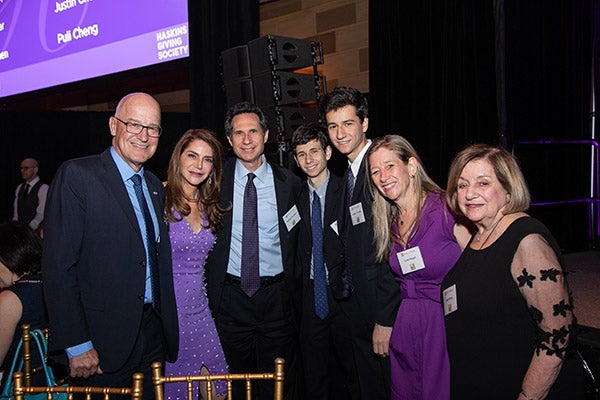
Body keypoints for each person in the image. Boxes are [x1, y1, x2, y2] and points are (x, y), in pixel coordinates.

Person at [42, 92, 179, 399]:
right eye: (134, 124)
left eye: (153, 128)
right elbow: (58, 267)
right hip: (99, 343)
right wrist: (77, 344)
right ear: (113, 126)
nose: (144, 136)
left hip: (151, 337)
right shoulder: (78, 176)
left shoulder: (155, 186)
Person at [441, 144, 584, 399]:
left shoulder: (526, 240)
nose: (470, 193)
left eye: (483, 183)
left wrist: (528, 396)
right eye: (462, 185)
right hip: (482, 382)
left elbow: (556, 333)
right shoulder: (478, 235)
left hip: (520, 387)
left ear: (508, 190)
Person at [205, 101, 302, 399]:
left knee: (276, 384)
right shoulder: (212, 182)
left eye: (253, 131)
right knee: (233, 383)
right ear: (230, 140)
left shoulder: (291, 184)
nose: (247, 140)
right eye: (239, 133)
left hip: (276, 300)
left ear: (266, 135)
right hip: (230, 299)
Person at [366, 135, 470, 400]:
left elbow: (481, 265)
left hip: (445, 325)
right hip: (406, 327)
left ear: (411, 167)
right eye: (375, 171)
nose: (383, 176)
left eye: (390, 166)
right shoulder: (389, 223)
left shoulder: (446, 209)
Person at [318, 86, 400, 399]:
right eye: (333, 126)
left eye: (348, 123)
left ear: (364, 123)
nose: (339, 134)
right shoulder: (348, 175)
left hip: (382, 313)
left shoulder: (381, 170)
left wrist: (385, 317)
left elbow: (395, 247)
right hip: (357, 307)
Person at [290, 124, 358, 400]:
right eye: (302, 154)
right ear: (295, 160)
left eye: (314, 151)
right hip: (309, 297)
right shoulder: (292, 198)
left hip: (343, 296)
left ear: (328, 152)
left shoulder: (348, 192)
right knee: (314, 376)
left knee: (352, 373)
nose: (309, 159)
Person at [163, 129, 229, 400]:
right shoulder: (160, 197)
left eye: (207, 159)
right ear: (179, 157)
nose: (199, 165)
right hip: (170, 317)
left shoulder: (209, 205)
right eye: (192, 156)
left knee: (219, 390)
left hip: (201, 314)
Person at [0, 222, 47, 390]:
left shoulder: (10, 299)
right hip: (49, 387)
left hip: (18, 390)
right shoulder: (49, 285)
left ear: (9, 255)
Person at [13, 158, 49, 231]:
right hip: (21, 232)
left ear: (35, 169)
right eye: (21, 168)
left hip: (34, 233)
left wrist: (28, 229)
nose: (22, 171)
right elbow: (16, 213)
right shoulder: (19, 187)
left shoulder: (43, 188)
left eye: (26, 168)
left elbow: (41, 214)